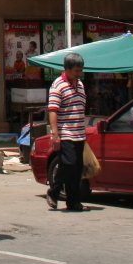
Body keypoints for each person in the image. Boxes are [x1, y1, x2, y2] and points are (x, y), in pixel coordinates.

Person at [46, 52, 87, 211]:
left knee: (77, 168)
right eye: (76, 71)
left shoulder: (81, 84)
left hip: (79, 134)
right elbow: (53, 110)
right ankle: (54, 191)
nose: (79, 74)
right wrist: (55, 134)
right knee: (68, 164)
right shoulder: (58, 85)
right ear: (67, 69)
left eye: (80, 71)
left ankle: (73, 201)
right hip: (65, 133)